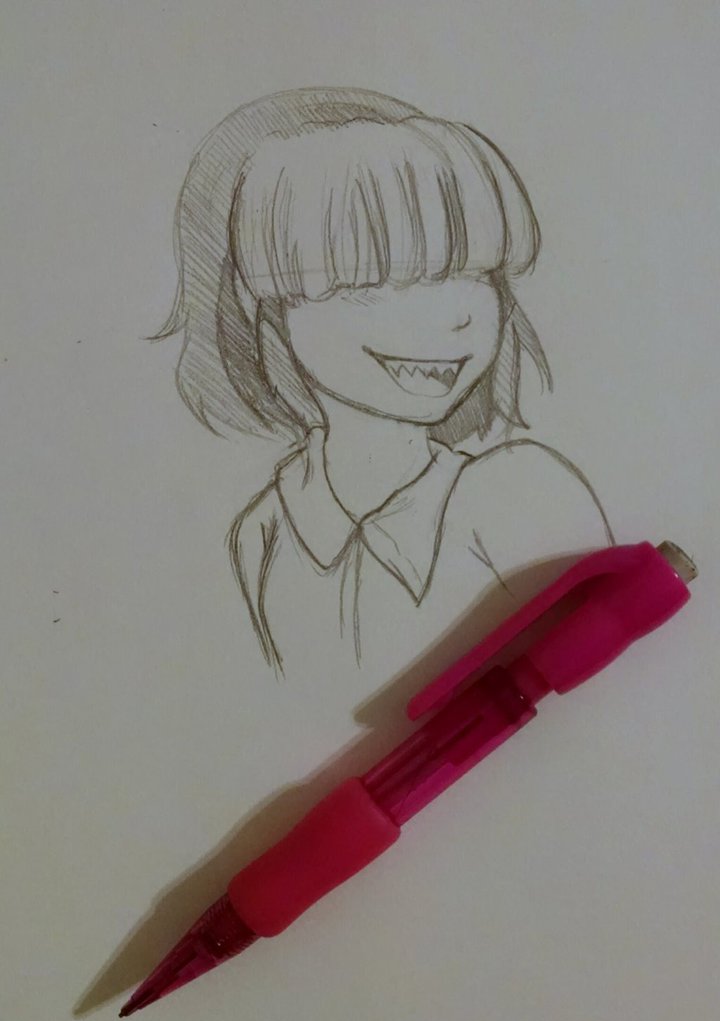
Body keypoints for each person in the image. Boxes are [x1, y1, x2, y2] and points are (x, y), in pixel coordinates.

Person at [158, 87, 612, 673]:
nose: (456, 318)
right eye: (379, 283)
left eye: (475, 276)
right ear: (273, 311)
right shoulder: (263, 533)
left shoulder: (524, 493)